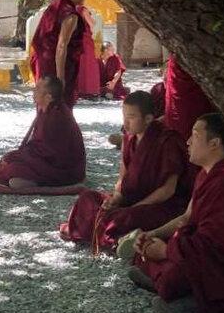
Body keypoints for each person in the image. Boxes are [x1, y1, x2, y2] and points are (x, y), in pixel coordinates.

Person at [127, 113, 224, 313]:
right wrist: (152, 234)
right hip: (208, 254)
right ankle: (168, 283)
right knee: (146, 252)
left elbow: (219, 246)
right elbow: (186, 218)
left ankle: (188, 297)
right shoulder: (207, 173)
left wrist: (165, 250)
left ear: (214, 143)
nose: (187, 141)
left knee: (171, 276)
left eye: (195, 135)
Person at [59, 91, 193, 253]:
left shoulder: (167, 141)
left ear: (148, 118)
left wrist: (136, 206)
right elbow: (123, 176)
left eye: (131, 117)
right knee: (87, 198)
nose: (126, 123)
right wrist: (116, 197)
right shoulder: (129, 138)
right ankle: (116, 235)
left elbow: (167, 190)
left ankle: (109, 236)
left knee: (125, 217)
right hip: (130, 199)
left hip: (160, 205)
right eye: (124, 116)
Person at [0, 76, 86, 195]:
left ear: (48, 97)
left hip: (64, 170)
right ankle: (11, 175)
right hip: (48, 162)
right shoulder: (45, 110)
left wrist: (18, 157)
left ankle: (24, 180)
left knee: (13, 169)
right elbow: (36, 145)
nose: (33, 91)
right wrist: (16, 155)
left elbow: (50, 154)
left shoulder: (57, 117)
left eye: (38, 89)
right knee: (10, 161)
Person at [30, 0, 87, 107]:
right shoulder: (70, 14)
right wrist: (60, 78)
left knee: (44, 100)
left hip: (43, 61)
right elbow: (61, 45)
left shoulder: (53, 7)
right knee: (59, 101)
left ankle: (44, 125)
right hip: (58, 64)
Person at [73, 6, 101, 99]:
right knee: (88, 64)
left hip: (74, 40)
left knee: (78, 65)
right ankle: (88, 90)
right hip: (84, 40)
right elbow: (92, 23)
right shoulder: (83, 10)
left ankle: (78, 90)